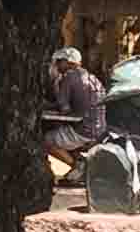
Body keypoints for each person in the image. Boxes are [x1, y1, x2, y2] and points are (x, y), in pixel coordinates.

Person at [44, 44, 107, 177]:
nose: (56, 65)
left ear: (67, 62)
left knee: (46, 140)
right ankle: (81, 165)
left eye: (59, 62)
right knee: (61, 134)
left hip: (85, 129)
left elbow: (64, 108)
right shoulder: (91, 77)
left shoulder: (69, 77)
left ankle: (78, 166)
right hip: (100, 128)